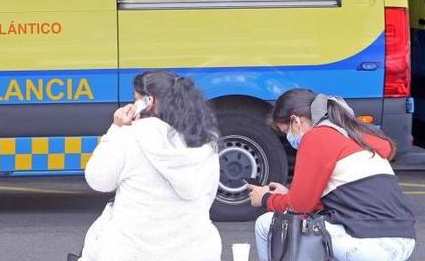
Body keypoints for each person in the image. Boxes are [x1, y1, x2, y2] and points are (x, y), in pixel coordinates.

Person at [248, 89, 415, 261]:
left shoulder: (317, 137)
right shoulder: (352, 135)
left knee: (266, 223)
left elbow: (299, 207)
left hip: (370, 244)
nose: (289, 138)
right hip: (402, 241)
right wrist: (288, 195)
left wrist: (265, 198)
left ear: (295, 121)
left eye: (285, 132)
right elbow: (345, 199)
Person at [75, 71, 222, 261]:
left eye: (135, 100)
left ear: (148, 102)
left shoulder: (130, 136)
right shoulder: (206, 142)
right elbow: (207, 196)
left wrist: (116, 129)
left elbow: (97, 180)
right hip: (195, 252)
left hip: (130, 252)